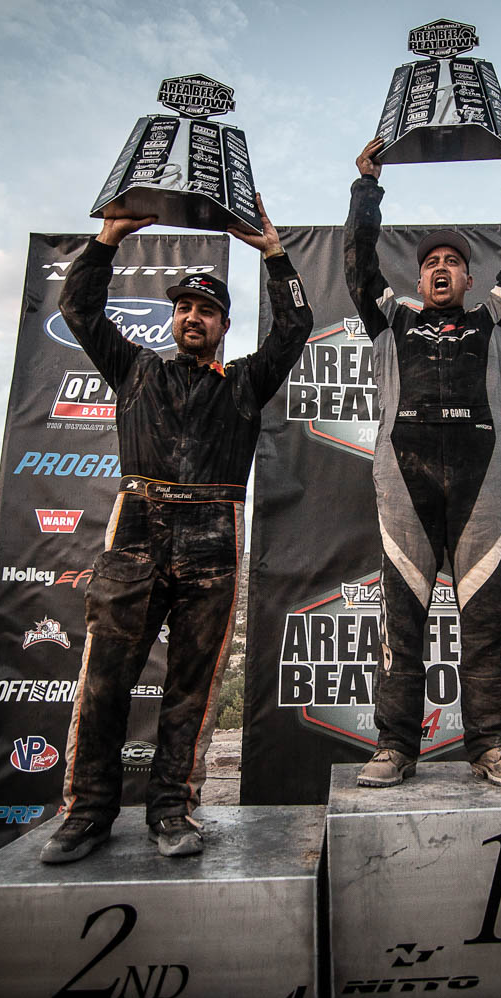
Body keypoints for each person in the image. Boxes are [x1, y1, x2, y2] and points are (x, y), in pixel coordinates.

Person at [40, 195, 313, 863]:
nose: (194, 316)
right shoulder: (134, 369)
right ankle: (87, 814)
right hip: (136, 530)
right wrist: (106, 240)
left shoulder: (245, 382)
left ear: (222, 323)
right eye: (184, 307)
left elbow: (295, 326)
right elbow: (77, 309)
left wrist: (275, 253)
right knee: (106, 681)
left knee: (191, 688)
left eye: (207, 309)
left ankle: (172, 810)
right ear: (172, 318)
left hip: (213, 538)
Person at [343, 133, 501, 789]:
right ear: (418, 275)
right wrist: (367, 186)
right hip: (404, 476)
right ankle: (395, 746)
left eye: (452, 262)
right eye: (430, 260)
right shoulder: (390, 320)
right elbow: (356, 267)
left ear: (467, 277)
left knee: (482, 623)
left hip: (482, 476)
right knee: (403, 623)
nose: (439, 267)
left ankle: (489, 745)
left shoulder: (494, 319)